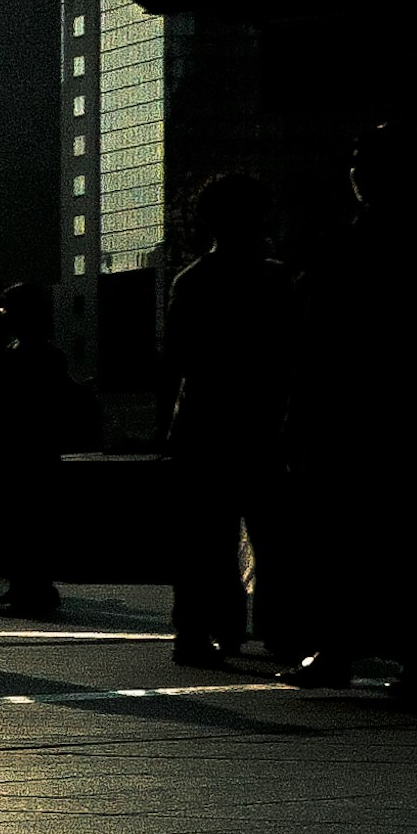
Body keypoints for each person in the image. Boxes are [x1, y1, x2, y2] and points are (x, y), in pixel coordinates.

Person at [283, 130, 417, 709]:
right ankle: (416, 658)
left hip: (352, 418)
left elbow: (313, 349)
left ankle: (335, 650)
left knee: (343, 536)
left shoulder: (335, 253)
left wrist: (297, 423)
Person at [161, 173, 293, 669]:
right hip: (264, 424)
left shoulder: (193, 281)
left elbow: (177, 360)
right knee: (274, 536)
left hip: (204, 425)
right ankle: (281, 628)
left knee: (203, 538)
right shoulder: (279, 280)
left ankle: (201, 629)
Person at [0, 274, 80, 620]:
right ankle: (33, 584)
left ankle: (27, 587)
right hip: (41, 448)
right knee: (34, 520)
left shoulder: (20, 354)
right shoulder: (47, 353)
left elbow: (5, 405)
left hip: (20, 449)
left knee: (21, 520)